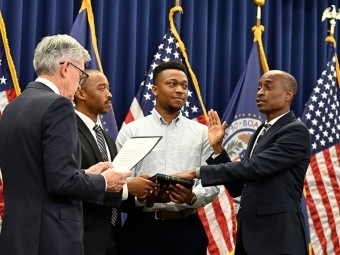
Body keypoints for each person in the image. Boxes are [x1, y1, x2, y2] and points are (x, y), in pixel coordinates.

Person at [0, 34, 131, 255]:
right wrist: (103, 182)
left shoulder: (13, 107)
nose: (79, 82)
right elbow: (62, 182)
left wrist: (85, 173)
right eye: (80, 74)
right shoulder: (58, 105)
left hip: (16, 236)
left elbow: (38, 174)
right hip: (51, 237)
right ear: (66, 67)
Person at [176, 70, 312, 255]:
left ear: (289, 95)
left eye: (268, 87)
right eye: (259, 87)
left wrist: (197, 172)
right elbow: (238, 187)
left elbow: (255, 167)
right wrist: (218, 149)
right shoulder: (259, 132)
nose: (260, 92)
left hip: (278, 238)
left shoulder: (295, 131)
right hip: (250, 239)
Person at [116, 61, 220, 255]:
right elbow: (118, 181)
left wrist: (192, 197)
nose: (180, 90)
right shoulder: (131, 131)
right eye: (172, 84)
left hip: (187, 230)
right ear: (155, 89)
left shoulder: (202, 133)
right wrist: (142, 196)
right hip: (141, 230)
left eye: (184, 86)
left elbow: (214, 182)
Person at [74, 69, 156, 255]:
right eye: (102, 88)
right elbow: (71, 185)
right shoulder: (68, 131)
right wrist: (128, 188)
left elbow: (111, 192)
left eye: (109, 88)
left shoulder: (108, 140)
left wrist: (139, 196)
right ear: (81, 93)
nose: (109, 94)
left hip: (113, 240)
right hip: (82, 239)